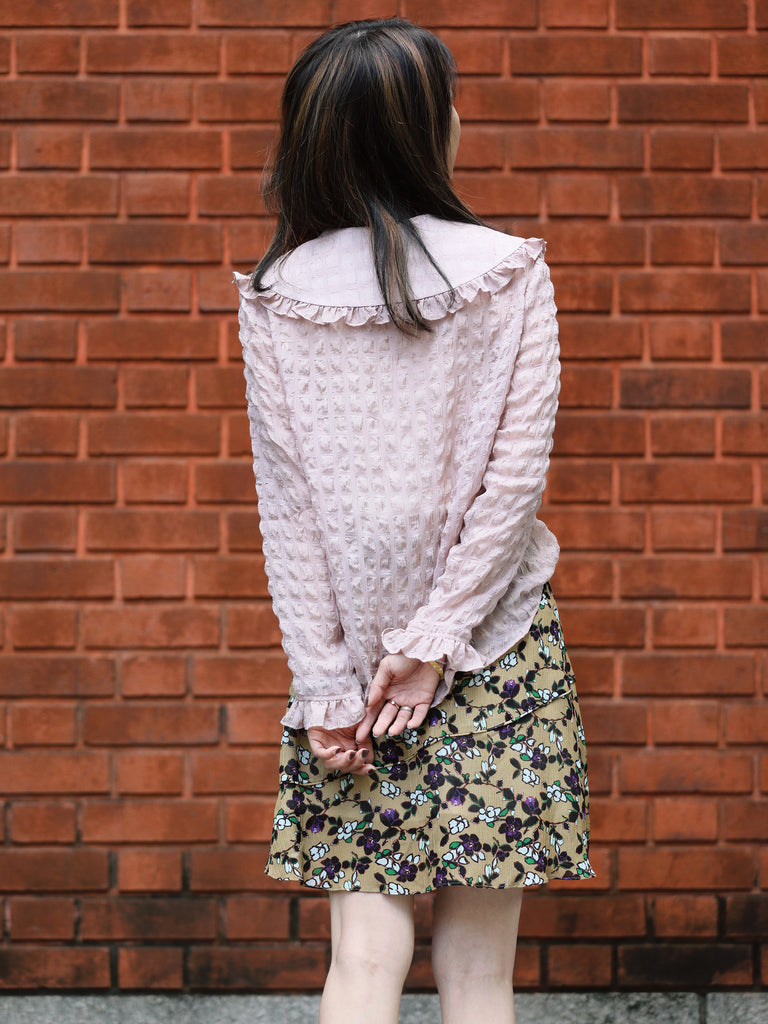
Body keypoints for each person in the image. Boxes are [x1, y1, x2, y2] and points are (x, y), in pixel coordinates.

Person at [234, 17, 595, 1024]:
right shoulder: (509, 270)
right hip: (501, 646)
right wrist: (440, 639)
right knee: (480, 975)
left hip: (353, 662)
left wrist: (326, 684)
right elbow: (514, 482)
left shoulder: (274, 295)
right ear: (423, 127)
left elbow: (289, 510)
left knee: (359, 962)